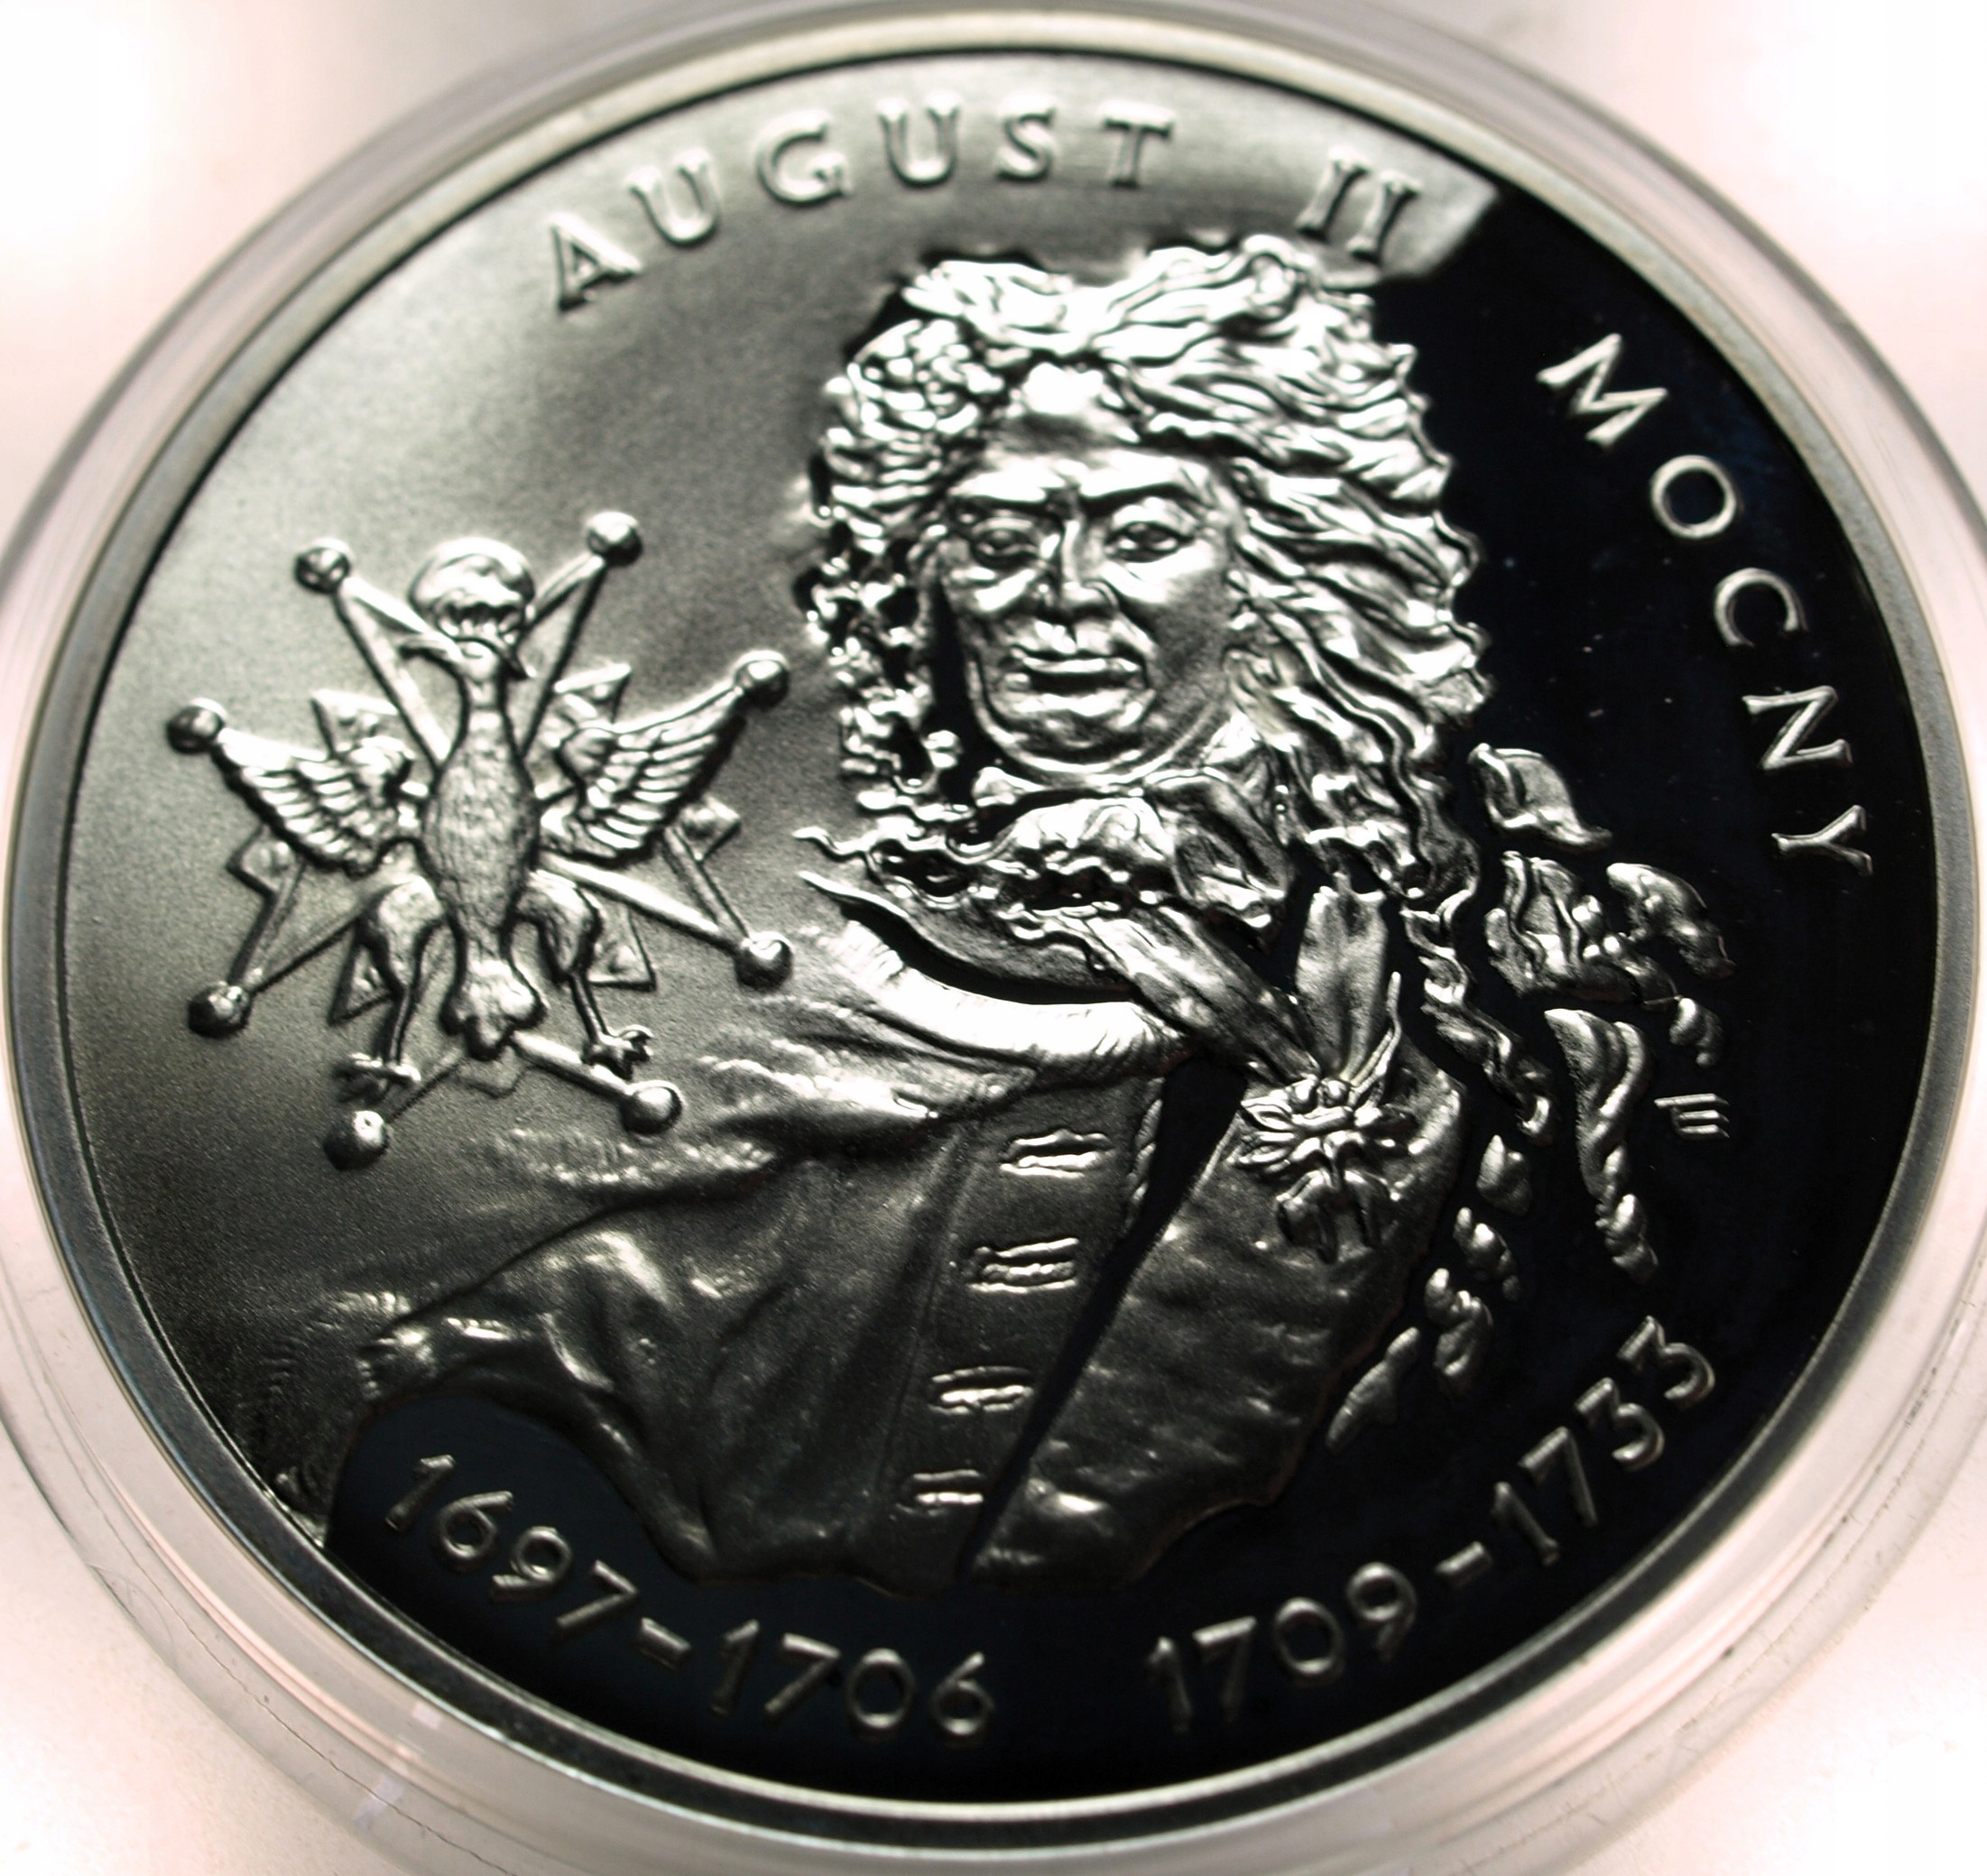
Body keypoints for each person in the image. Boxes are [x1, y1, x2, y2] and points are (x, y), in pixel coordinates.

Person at [264, 236, 1666, 1597]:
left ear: (1281, 573)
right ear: (916, 581)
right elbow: (560, 1276)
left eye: (1144, 534)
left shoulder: (1451, 950)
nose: (1060, 600)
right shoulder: (811, 943)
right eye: (997, 539)